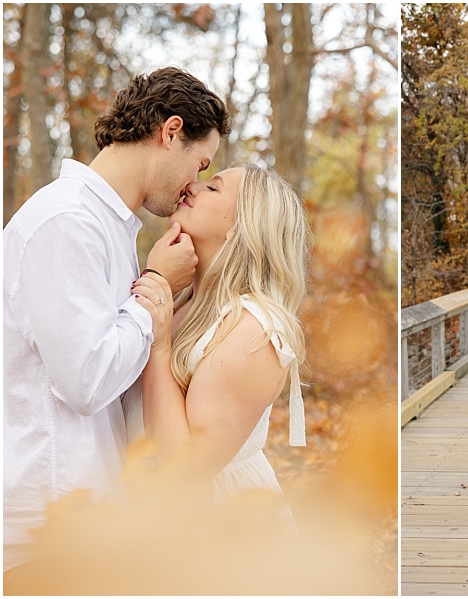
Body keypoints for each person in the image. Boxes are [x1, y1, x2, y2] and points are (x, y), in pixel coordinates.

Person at [3, 67, 230, 579]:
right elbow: (85, 381)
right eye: (200, 163)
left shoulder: (111, 229)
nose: (193, 184)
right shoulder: (66, 222)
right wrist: (156, 287)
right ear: (170, 132)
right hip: (46, 530)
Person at [121, 162, 309, 512]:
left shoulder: (255, 330)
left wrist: (160, 347)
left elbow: (184, 472)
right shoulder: (181, 301)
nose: (192, 185)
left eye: (213, 188)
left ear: (241, 227)